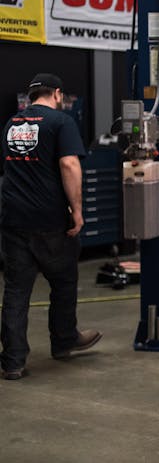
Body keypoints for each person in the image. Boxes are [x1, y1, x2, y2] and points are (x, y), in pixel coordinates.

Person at [0, 73, 101, 380]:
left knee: (16, 291)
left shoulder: (12, 123)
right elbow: (69, 164)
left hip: (13, 219)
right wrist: (78, 210)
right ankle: (64, 340)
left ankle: (13, 361)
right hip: (49, 219)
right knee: (64, 279)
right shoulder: (61, 122)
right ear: (57, 93)